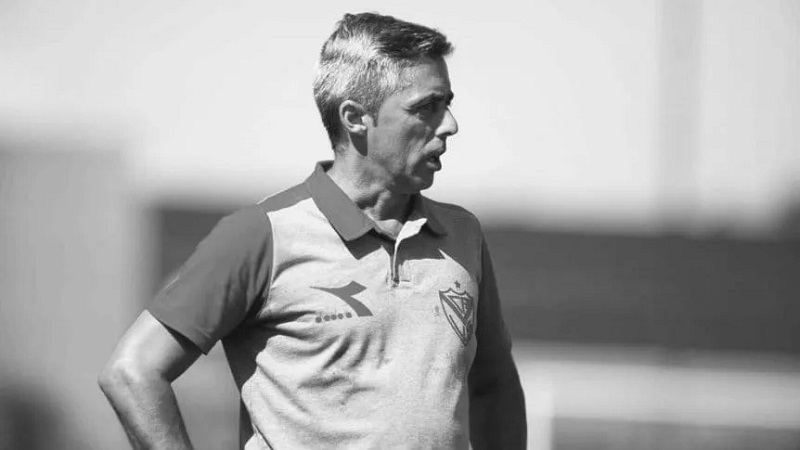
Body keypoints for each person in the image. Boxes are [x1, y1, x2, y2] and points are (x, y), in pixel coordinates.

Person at [99, 12, 527, 450]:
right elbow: (132, 372)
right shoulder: (261, 234)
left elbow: (494, 382)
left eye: (447, 103)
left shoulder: (463, 235)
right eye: (427, 107)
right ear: (355, 117)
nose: (450, 124)